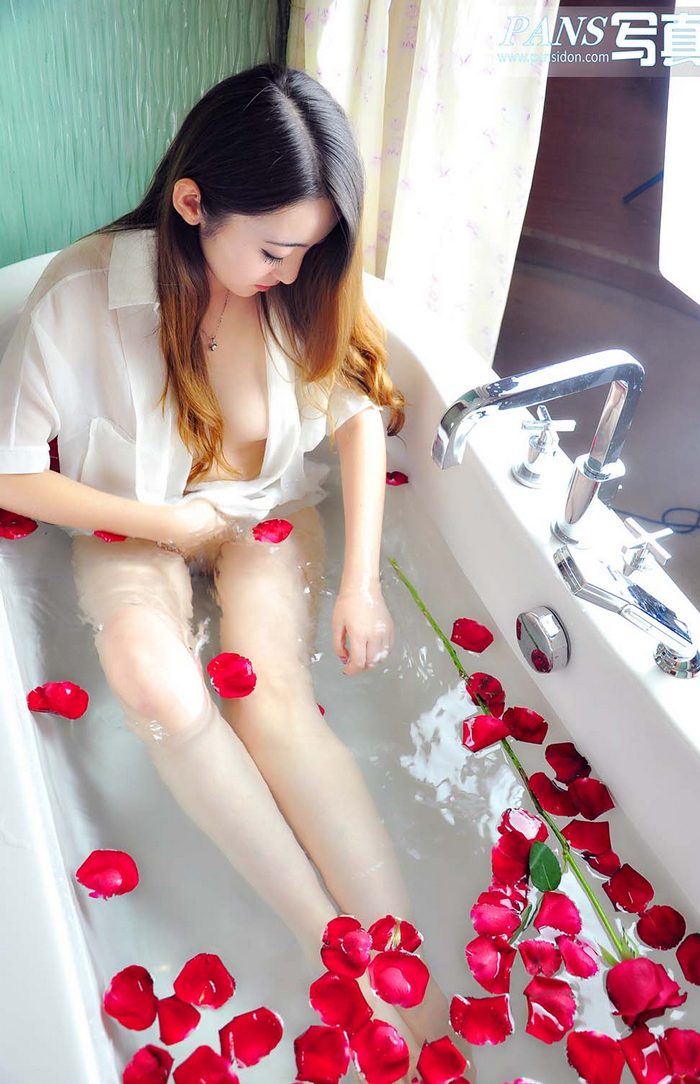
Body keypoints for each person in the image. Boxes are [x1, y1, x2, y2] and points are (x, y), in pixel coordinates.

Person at [0, 62, 475, 1082]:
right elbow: (12, 474)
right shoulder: (78, 297)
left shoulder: (301, 286)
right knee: (154, 686)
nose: (290, 274)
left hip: (263, 513)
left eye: (309, 251)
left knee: (270, 704)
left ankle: (408, 984)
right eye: (272, 249)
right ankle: (322, 943)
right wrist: (162, 522)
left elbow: (356, 416)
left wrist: (360, 584)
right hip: (132, 523)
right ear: (191, 203)